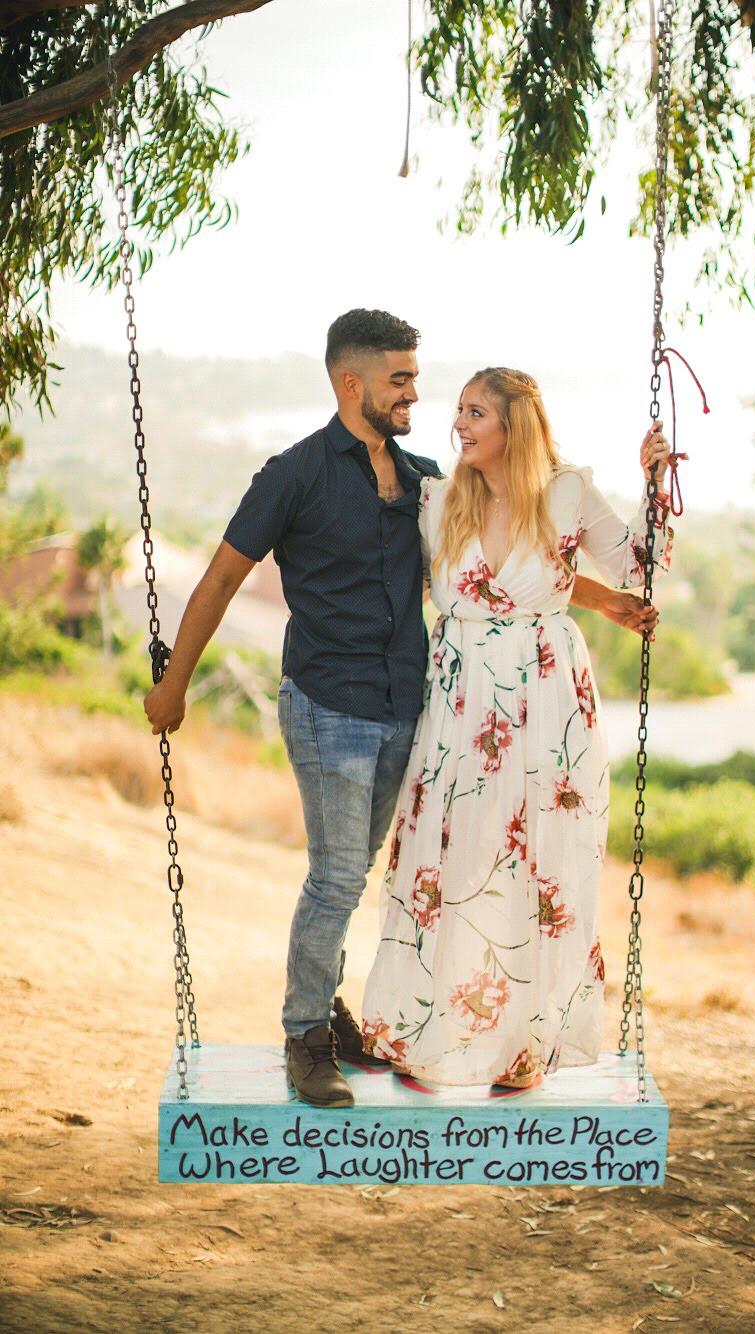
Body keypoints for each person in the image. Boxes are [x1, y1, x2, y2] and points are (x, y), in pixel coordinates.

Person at [143, 311, 659, 1109]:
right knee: (339, 876)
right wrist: (174, 683)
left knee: (388, 873)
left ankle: (358, 1015)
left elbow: (515, 560)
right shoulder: (297, 474)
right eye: (401, 380)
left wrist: (603, 601)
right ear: (352, 383)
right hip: (329, 701)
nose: (418, 395)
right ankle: (306, 1036)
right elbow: (219, 579)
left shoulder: (424, 481)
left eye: (420, 380)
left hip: (412, 707)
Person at [361, 366, 673, 1088]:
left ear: (515, 424)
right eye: (459, 411)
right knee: (448, 858)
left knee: (542, 864)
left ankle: (525, 1048)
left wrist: (653, 485)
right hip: (458, 702)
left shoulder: (567, 492)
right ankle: (426, 1035)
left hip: (547, 700)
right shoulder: (437, 499)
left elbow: (639, 564)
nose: (459, 425)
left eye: (475, 413)